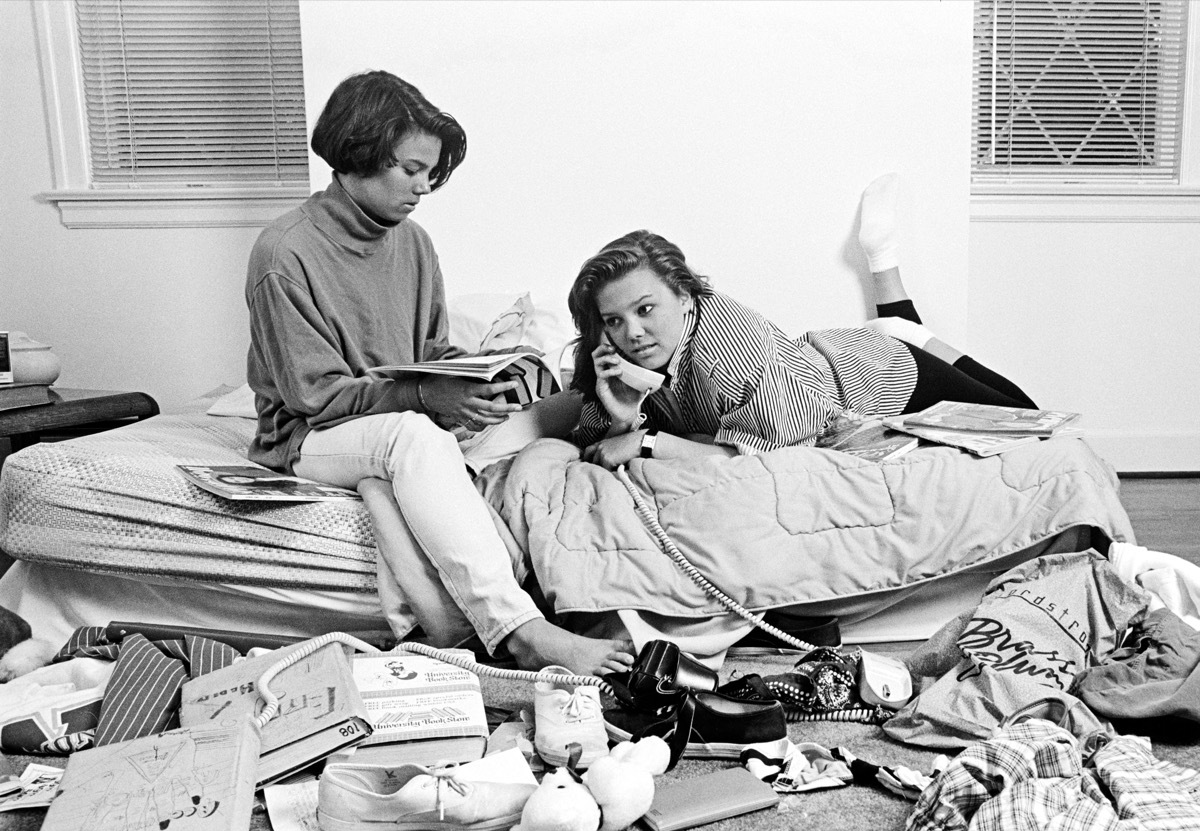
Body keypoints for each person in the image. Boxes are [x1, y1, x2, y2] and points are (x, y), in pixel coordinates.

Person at [245, 70, 633, 676]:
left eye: (432, 173)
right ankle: (517, 628)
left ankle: (492, 541)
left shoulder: (414, 243)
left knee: (554, 410)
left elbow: (429, 351)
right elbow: (313, 396)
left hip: (398, 418)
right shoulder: (284, 253)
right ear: (357, 151)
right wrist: (428, 398)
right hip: (309, 436)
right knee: (413, 437)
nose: (424, 187)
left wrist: (486, 383)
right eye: (411, 169)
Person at [568, 174, 1037, 468]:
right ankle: (894, 312)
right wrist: (622, 420)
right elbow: (597, 448)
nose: (630, 332)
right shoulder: (619, 362)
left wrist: (647, 444)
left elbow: (764, 455)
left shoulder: (725, 347)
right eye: (614, 320)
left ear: (686, 297)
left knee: (1029, 421)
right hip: (813, 358)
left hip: (880, 374)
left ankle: (893, 302)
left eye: (645, 309)